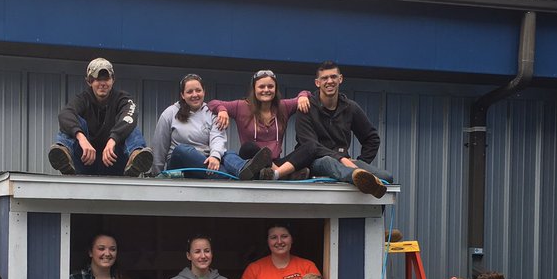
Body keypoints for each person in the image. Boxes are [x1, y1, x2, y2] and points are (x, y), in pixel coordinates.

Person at [276, 62, 393, 198]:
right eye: (325, 78)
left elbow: (372, 138)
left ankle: (364, 182)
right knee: (328, 161)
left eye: (333, 77)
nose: (329, 81)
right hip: (315, 160)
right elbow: (309, 145)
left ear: (340, 79)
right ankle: (356, 175)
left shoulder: (351, 108)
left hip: (345, 162)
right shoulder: (306, 108)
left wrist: (362, 161)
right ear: (317, 82)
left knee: (387, 177)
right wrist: (342, 159)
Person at [151, 74, 272, 180]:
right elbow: (159, 145)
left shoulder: (211, 113)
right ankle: (232, 178)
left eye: (198, 90)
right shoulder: (170, 113)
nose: (195, 95)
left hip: (205, 162)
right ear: (182, 95)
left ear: (204, 91)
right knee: (182, 149)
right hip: (180, 164)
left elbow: (217, 137)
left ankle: (243, 169)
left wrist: (215, 156)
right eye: (189, 92)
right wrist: (157, 173)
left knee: (227, 153)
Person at [49, 58, 153, 177]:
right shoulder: (82, 99)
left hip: (113, 161)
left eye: (106, 78)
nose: (102, 83)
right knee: (72, 121)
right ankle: (64, 155)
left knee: (129, 123)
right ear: (89, 81)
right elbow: (65, 114)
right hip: (86, 160)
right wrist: (81, 138)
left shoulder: (122, 99)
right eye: (97, 79)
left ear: (113, 80)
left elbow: (131, 115)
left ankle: (135, 158)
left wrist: (113, 140)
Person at [208, 69, 310, 176]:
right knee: (248, 147)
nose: (266, 90)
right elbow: (212, 103)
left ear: (275, 89)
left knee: (309, 147)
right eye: (261, 87)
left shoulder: (283, 106)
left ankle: (275, 174)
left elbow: (308, 94)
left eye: (270, 86)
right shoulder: (241, 106)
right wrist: (222, 110)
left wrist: (302, 96)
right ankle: (284, 174)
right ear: (254, 89)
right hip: (251, 162)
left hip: (276, 161)